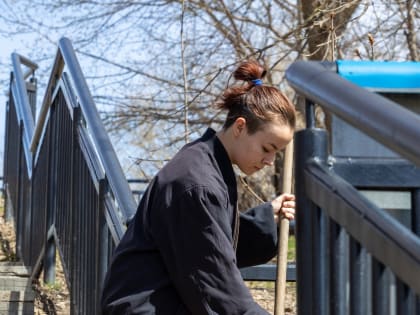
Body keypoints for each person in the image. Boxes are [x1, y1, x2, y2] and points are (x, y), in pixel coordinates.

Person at [101, 59, 296, 314]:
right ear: (240, 126)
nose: (270, 161)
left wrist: (266, 216)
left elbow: (212, 242)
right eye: (267, 148)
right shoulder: (197, 184)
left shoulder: (206, 164)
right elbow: (215, 285)